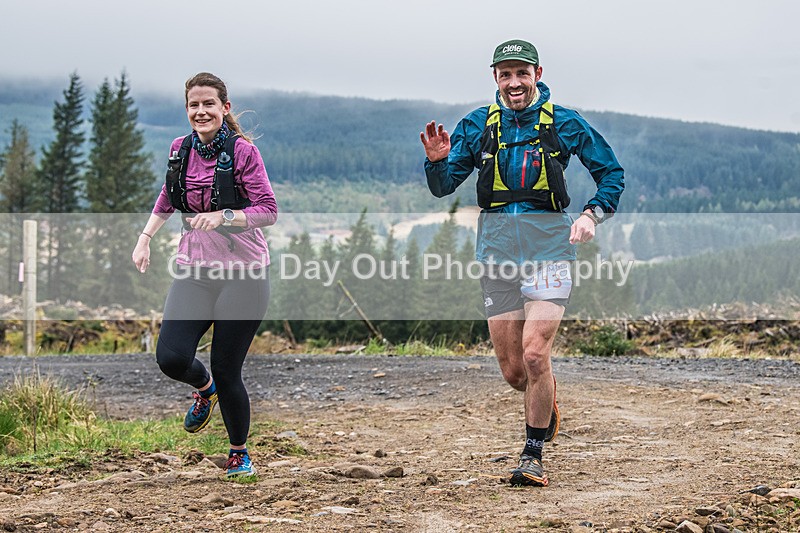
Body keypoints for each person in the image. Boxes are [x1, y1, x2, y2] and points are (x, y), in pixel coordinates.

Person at [420, 39, 624, 487]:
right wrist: (436, 163)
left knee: (535, 354)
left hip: (550, 248)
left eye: (522, 73)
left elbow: (612, 173)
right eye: (506, 74)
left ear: (537, 73)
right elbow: (443, 186)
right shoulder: (477, 125)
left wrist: (593, 214)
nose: (514, 82)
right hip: (496, 253)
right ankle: (545, 399)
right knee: (516, 372)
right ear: (495, 77)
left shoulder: (565, 123)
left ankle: (532, 454)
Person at [132, 72, 278, 478]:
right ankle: (204, 390)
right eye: (194, 105)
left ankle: (238, 453)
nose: (201, 111)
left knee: (228, 367)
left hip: (244, 275)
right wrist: (145, 238)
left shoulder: (244, 152)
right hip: (194, 270)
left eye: (209, 104)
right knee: (171, 357)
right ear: (187, 110)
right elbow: (167, 196)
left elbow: (268, 209)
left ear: (224, 108)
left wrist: (225, 216)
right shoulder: (179, 149)